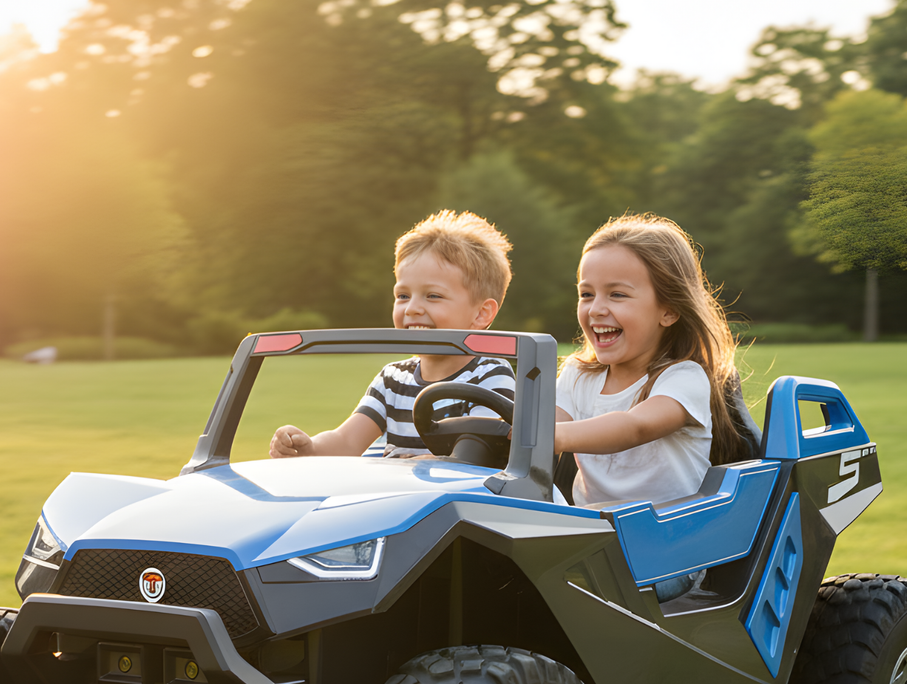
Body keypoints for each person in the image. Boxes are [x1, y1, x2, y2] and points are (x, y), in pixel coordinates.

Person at [555, 214, 746, 599]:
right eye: (587, 294)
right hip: (590, 538)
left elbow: (635, 427)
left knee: (571, 584)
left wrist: (545, 434)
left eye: (617, 295)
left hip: (668, 553)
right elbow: (544, 429)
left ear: (668, 310)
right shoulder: (576, 374)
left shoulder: (683, 378)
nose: (596, 309)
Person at [270, 210, 516, 458]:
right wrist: (309, 447)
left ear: (481, 313)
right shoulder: (393, 379)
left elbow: (474, 456)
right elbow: (347, 441)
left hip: (454, 485)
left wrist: (417, 464)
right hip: (398, 484)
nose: (411, 308)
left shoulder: (490, 376)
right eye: (403, 296)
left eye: (433, 296)